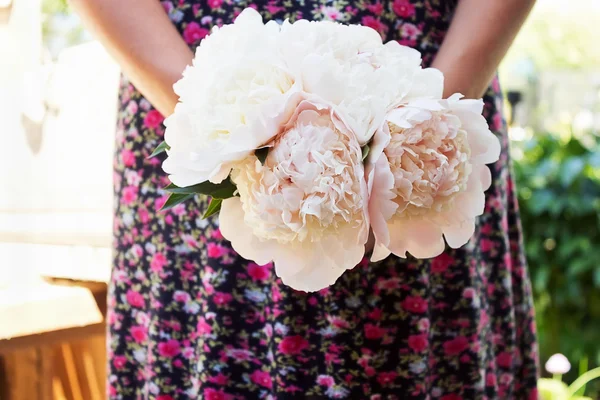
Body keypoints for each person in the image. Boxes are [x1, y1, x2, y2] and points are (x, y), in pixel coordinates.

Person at [70, 0, 538, 398]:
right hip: (196, 95)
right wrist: (217, 123)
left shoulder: (429, 128)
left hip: (427, 82)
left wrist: (427, 115)